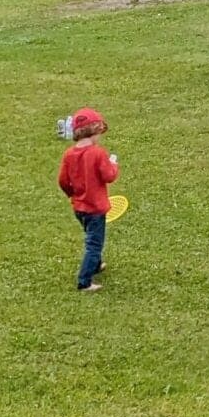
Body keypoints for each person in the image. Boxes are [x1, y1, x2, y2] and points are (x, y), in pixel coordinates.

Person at [57, 107, 119, 292]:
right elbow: (109, 176)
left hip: (79, 208)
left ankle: (96, 264)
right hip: (95, 208)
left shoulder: (69, 155)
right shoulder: (97, 153)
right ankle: (84, 281)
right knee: (94, 242)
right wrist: (114, 164)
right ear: (94, 130)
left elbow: (62, 180)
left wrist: (73, 194)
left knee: (92, 236)